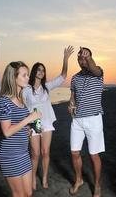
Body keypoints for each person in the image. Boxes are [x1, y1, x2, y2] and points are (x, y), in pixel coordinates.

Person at [22, 46, 74, 190]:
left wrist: (65, 58)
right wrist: (25, 124)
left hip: (46, 122)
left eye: (43, 70)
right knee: (35, 154)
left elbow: (63, 76)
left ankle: (44, 178)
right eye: (38, 69)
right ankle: (32, 179)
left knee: (45, 152)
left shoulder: (46, 87)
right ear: (34, 72)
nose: (41, 72)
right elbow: (22, 108)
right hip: (33, 122)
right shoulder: (26, 89)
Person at [0, 61, 42, 197]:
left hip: (23, 153)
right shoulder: (3, 101)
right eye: (24, 75)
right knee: (19, 194)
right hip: (9, 155)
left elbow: (18, 125)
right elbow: (7, 132)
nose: (28, 77)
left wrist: (27, 130)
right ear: (13, 78)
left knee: (28, 193)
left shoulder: (21, 99)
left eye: (28, 75)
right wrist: (28, 118)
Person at [68, 47, 104, 197]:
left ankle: (96, 185)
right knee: (74, 152)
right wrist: (70, 105)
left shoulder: (98, 73)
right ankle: (79, 180)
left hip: (94, 119)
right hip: (77, 120)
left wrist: (88, 57)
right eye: (80, 58)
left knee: (93, 155)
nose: (81, 60)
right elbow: (72, 96)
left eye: (84, 58)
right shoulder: (75, 78)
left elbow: (95, 68)